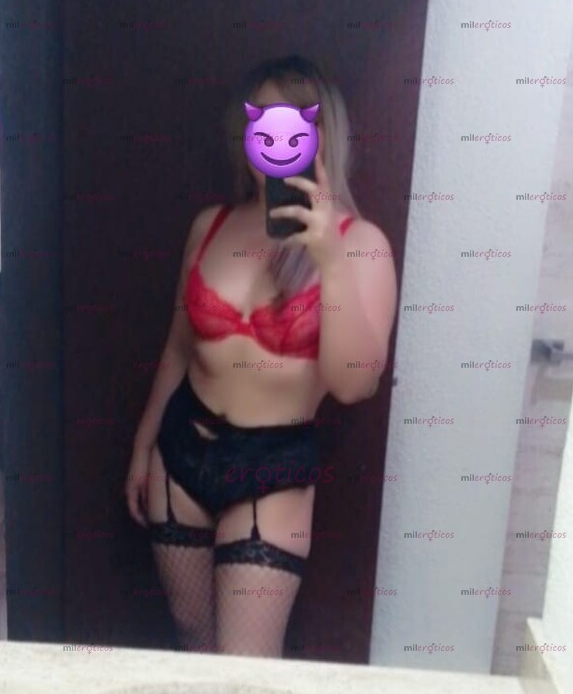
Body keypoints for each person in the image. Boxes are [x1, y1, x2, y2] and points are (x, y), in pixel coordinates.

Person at [125, 55, 397, 657]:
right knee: (192, 639)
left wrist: (328, 261)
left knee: (248, 669)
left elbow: (354, 385)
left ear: (321, 136)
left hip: (273, 473)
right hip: (182, 451)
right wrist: (143, 446)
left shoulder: (361, 245)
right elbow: (179, 347)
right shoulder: (210, 225)